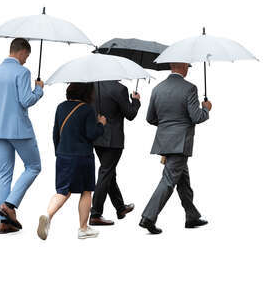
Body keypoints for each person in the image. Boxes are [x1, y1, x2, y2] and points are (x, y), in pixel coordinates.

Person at [139, 63, 212, 234]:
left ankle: (192, 216)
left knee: (183, 180)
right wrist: (206, 110)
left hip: (164, 141)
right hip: (181, 142)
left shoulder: (157, 88)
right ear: (183, 66)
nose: (188, 68)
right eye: (188, 66)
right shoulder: (190, 88)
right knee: (169, 180)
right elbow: (196, 117)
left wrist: (166, 127)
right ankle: (148, 217)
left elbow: (150, 118)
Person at [0, 38, 44, 234]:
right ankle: (9, 205)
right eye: (26, 56)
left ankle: (4, 222)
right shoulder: (22, 72)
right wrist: (39, 89)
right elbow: (26, 100)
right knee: (34, 166)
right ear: (21, 52)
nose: (26, 60)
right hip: (19, 130)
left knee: (4, 173)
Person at [37, 83, 107, 240]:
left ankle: (47, 215)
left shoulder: (61, 107)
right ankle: (83, 228)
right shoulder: (87, 109)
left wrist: (59, 151)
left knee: (63, 191)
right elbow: (91, 134)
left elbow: (55, 133)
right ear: (87, 93)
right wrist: (101, 124)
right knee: (86, 191)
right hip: (82, 157)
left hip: (63, 155)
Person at [89, 81, 141, 226]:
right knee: (106, 173)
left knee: (109, 173)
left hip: (96, 137)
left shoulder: (93, 85)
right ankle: (95, 214)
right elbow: (130, 114)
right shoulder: (120, 89)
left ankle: (120, 208)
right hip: (113, 140)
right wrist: (135, 101)